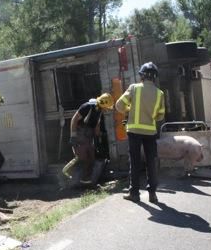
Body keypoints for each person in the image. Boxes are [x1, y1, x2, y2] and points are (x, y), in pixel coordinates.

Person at [115, 62, 166, 203]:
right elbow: (160, 116)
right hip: (150, 132)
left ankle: (134, 193)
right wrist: (150, 115)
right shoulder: (159, 93)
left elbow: (119, 105)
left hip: (134, 132)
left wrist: (130, 110)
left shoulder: (134, 88)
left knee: (135, 162)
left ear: (142, 75)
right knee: (151, 162)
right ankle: (153, 194)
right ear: (154, 77)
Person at [62, 93, 114, 184]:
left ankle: (85, 180)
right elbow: (74, 120)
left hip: (88, 136)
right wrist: (73, 136)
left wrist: (99, 140)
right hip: (80, 134)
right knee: (83, 157)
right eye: (107, 107)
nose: (107, 110)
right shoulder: (87, 107)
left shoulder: (100, 111)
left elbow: (96, 127)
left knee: (91, 156)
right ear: (103, 104)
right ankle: (68, 175)